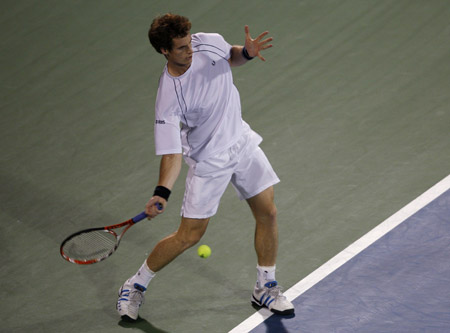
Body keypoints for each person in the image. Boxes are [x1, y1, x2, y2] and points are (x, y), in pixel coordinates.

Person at [116, 13, 294, 321]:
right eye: (182, 48)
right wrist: (162, 192)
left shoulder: (208, 43)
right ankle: (135, 285)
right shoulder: (169, 97)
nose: (190, 50)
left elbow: (232, 56)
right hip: (209, 160)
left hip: (241, 141)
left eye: (189, 42)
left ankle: (265, 286)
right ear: (164, 52)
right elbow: (171, 153)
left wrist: (247, 53)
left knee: (268, 211)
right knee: (189, 236)